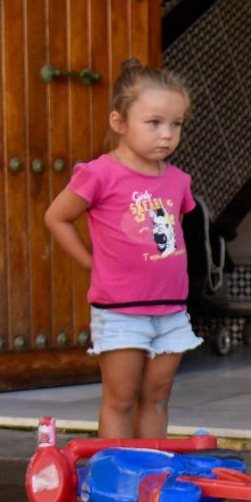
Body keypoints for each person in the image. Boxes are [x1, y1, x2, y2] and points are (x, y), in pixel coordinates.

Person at [45, 59, 201, 439]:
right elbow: (56, 217)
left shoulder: (179, 180)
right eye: (154, 123)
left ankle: (151, 472)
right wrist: (90, 262)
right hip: (120, 312)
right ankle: (116, 478)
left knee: (158, 396)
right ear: (119, 123)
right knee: (121, 399)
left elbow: (166, 236)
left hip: (170, 311)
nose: (167, 134)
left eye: (175, 124)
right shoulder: (99, 173)